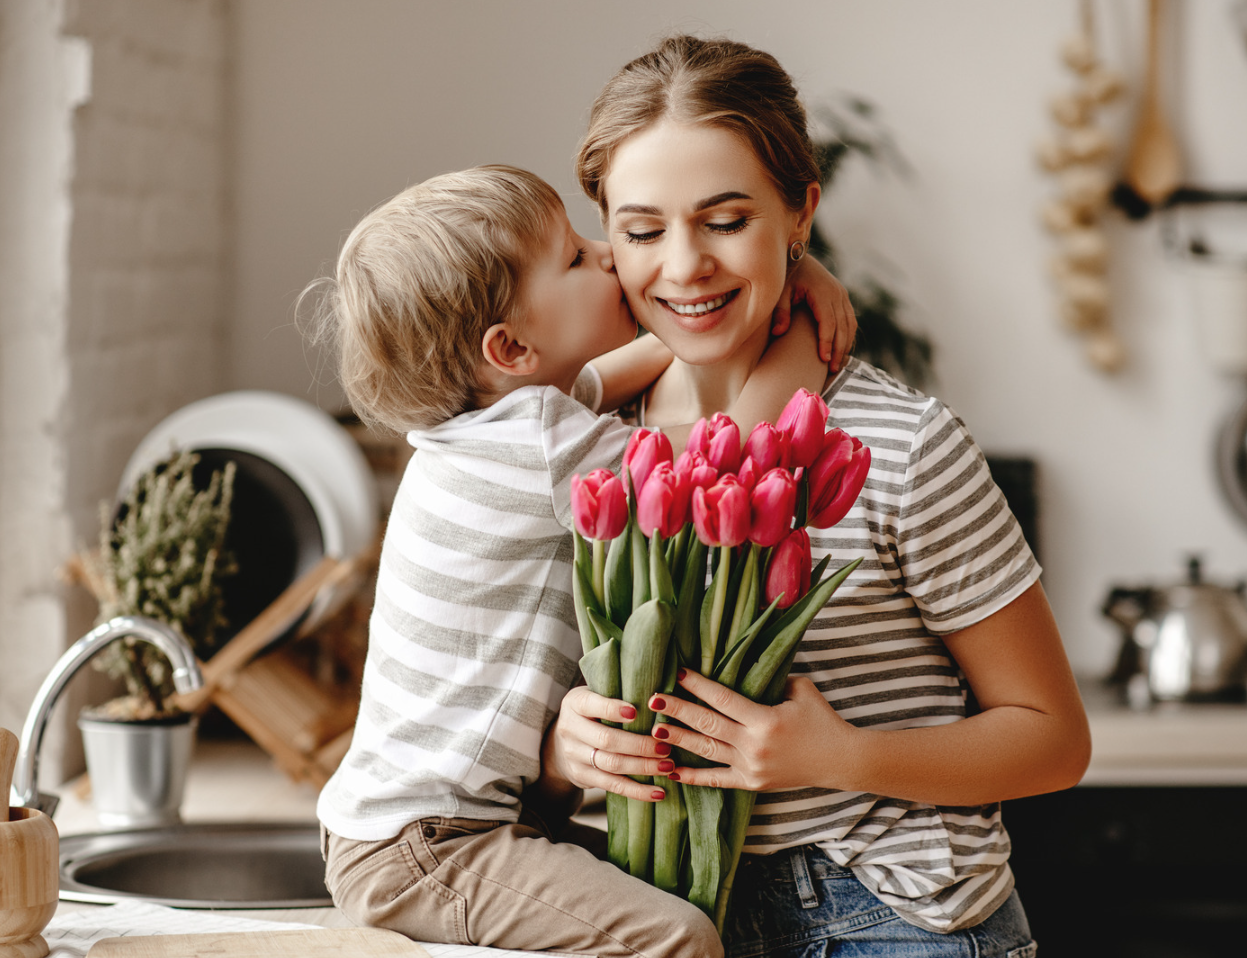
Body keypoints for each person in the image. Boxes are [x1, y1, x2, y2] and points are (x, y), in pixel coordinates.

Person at [545, 35, 1091, 956]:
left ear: (800, 214)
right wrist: (567, 755)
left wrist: (837, 755)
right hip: (664, 918)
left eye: (726, 221)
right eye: (643, 231)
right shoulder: (581, 438)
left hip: (893, 919)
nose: (683, 268)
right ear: (606, 237)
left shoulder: (904, 445)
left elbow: (1052, 740)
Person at [311, 164, 857, 958]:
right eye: (574, 256)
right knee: (678, 936)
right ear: (512, 348)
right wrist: (799, 317)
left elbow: (611, 375)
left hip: (407, 829)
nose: (609, 255)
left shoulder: (487, 426)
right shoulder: (537, 446)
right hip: (431, 847)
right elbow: (733, 455)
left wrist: (771, 274)